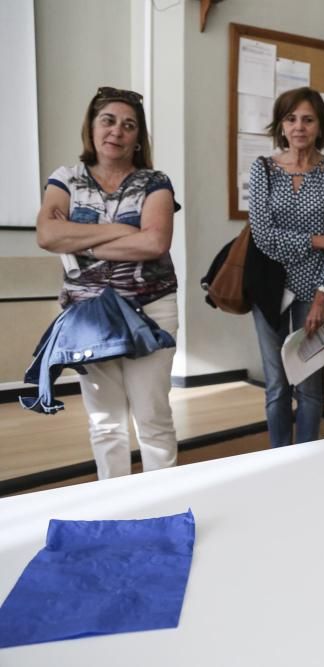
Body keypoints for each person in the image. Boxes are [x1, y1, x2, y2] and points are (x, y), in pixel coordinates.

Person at [35, 86, 181, 479]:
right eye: (108, 121)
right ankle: (115, 505)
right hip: (89, 317)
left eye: (128, 125)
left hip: (149, 311)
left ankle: (160, 503)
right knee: (105, 423)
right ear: (92, 128)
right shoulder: (66, 178)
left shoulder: (155, 181)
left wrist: (84, 241)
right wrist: (121, 231)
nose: (117, 131)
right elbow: (48, 236)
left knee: (152, 417)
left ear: (138, 138)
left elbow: (154, 242)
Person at [248, 87, 324, 446]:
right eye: (291, 119)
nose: (299, 127)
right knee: (276, 384)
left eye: (308, 119)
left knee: (308, 386)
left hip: (314, 291)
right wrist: (317, 240)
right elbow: (263, 237)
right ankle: (277, 457)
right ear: (281, 125)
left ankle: (307, 459)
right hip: (269, 286)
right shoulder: (263, 169)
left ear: (320, 125)